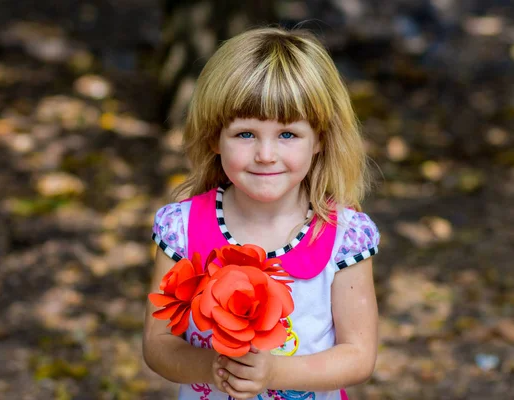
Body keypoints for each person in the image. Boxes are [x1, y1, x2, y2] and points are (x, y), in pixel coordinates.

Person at [143, 26, 380, 400]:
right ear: (214, 138)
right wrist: (215, 367)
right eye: (245, 134)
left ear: (319, 139)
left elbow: (358, 355)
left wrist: (273, 372)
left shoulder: (343, 237)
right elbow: (158, 345)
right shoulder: (182, 230)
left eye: (287, 135)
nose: (266, 154)